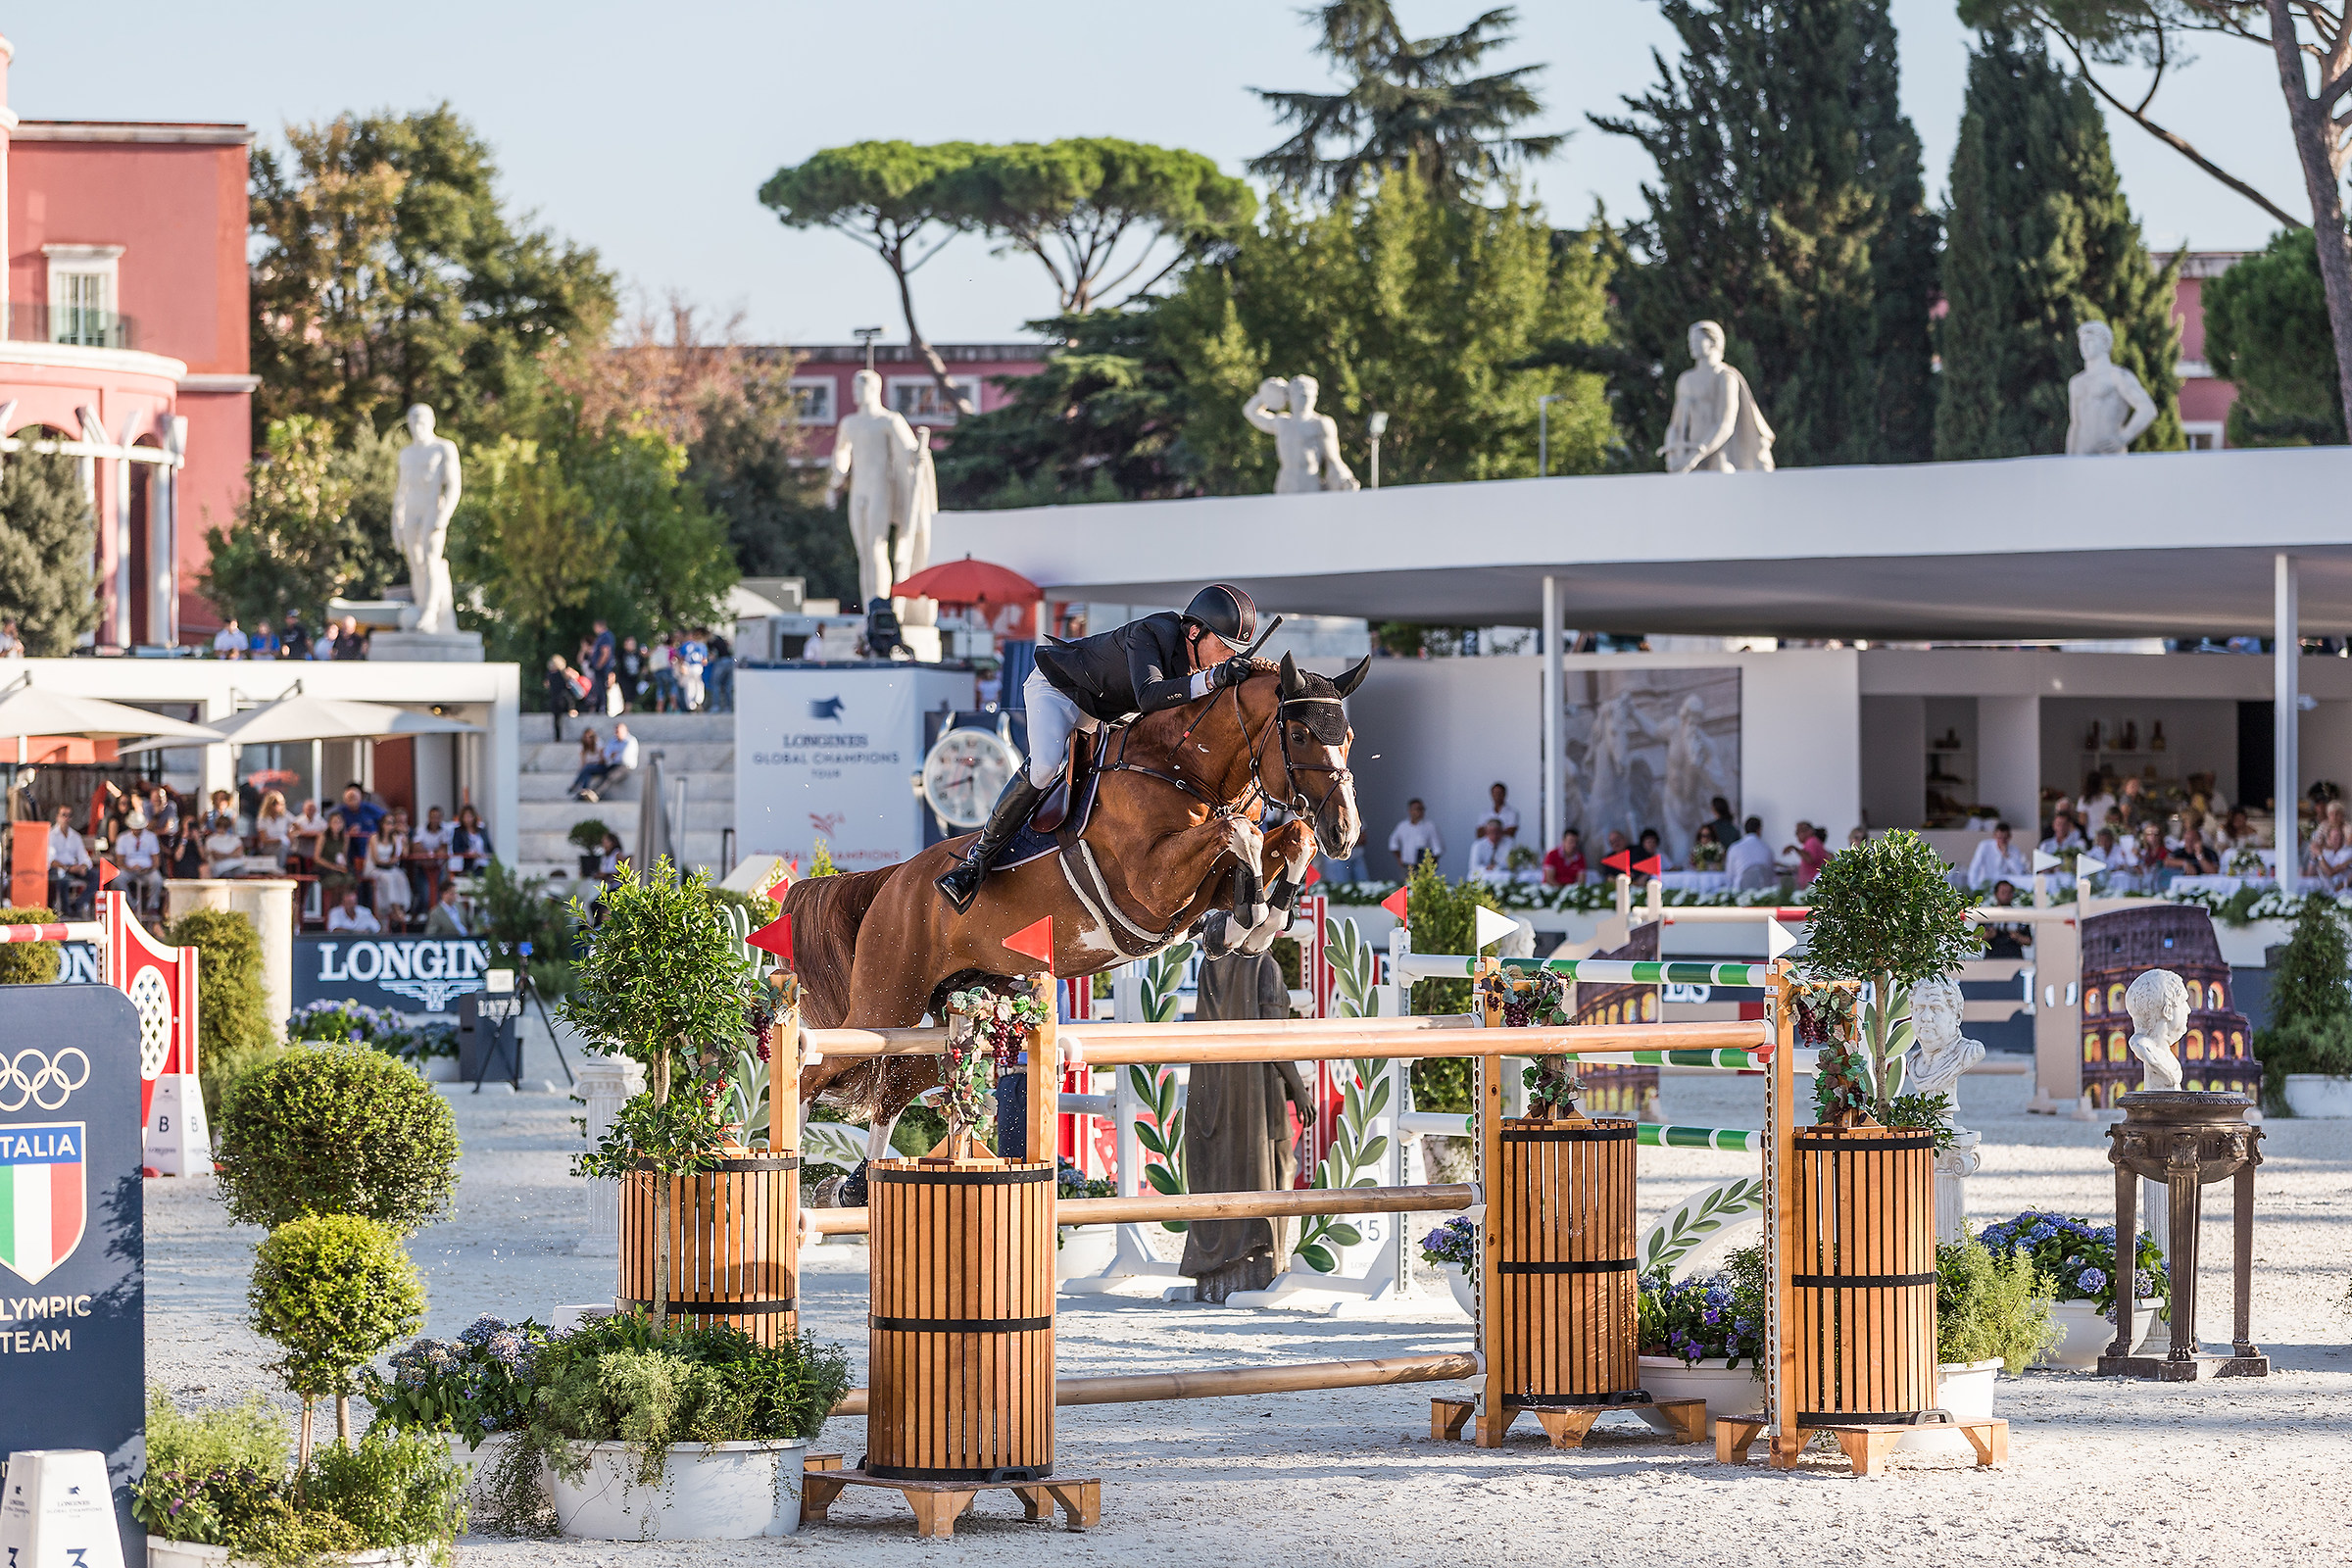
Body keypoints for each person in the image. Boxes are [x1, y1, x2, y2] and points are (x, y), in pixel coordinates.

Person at [935, 584, 1264, 912]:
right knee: (1046, 766)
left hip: (1105, 713)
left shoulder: (1201, 667)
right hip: (1060, 691)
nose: (1227, 658)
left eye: (1234, 653)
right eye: (1224, 647)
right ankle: (975, 863)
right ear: (1194, 632)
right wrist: (1215, 678)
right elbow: (1150, 695)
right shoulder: (1152, 632)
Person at [1178, 946, 1316, 1301]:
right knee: (1282, 1166)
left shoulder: (1212, 963)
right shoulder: (1265, 966)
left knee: (1221, 1168)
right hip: (1259, 1091)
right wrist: (1298, 1090)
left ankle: (1219, 1270)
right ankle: (1267, 1257)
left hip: (1214, 1087)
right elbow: (1274, 1040)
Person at [46, 806, 97, 917]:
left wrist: (83, 866)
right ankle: (66, 911)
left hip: (74, 868)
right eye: (63, 815)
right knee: (62, 877)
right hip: (59, 869)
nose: (66, 818)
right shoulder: (50, 835)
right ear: (57, 817)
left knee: (96, 876)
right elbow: (50, 860)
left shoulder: (75, 836)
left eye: (69, 816)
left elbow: (83, 856)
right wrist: (67, 868)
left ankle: (76, 906)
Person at [368, 808, 413, 928]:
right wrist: (388, 862)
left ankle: (402, 908)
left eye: (392, 823)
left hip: (390, 868)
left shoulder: (395, 838)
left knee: (401, 877)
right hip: (377, 868)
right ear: (382, 824)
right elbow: (375, 858)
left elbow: (405, 854)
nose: (390, 826)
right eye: (387, 823)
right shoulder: (374, 838)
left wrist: (404, 838)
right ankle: (394, 910)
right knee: (388, 879)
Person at [574, 723, 639, 804]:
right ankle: (582, 791)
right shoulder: (613, 740)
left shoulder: (630, 741)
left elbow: (623, 757)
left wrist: (612, 756)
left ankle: (596, 794)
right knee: (589, 768)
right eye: (616, 732)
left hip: (624, 767)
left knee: (610, 776)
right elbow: (606, 754)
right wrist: (612, 755)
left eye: (618, 731)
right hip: (612, 765)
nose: (617, 734)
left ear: (625, 731)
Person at [117, 808, 165, 917]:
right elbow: (119, 860)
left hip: (147, 869)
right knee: (118, 878)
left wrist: (149, 868)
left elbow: (156, 860)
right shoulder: (122, 838)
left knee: (157, 880)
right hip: (129, 868)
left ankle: (152, 907)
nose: (137, 830)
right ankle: (130, 904)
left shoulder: (151, 837)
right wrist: (129, 867)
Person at [331, 782, 386, 874]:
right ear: (345, 799)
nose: (352, 800)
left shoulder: (369, 809)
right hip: (349, 852)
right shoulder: (340, 812)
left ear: (360, 797)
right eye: (349, 798)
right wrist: (348, 831)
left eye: (354, 798)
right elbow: (333, 828)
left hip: (369, 850)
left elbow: (385, 819)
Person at [1389, 798, 1445, 880]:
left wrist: (1431, 863)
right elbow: (1393, 843)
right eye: (1417, 809)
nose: (1420, 812)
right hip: (1407, 865)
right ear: (1410, 810)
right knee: (1407, 888)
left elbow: (1438, 847)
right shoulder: (1403, 826)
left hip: (1423, 865)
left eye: (1422, 809)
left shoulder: (1430, 826)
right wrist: (1399, 857)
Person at [1965, 822, 2029, 889]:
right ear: (1994, 836)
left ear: (2010, 837)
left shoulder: (2014, 850)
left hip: (2004, 887)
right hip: (1986, 884)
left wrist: (2007, 856)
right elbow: (1975, 866)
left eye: (2005, 838)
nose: (2002, 840)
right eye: (1999, 837)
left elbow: (2020, 872)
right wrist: (1973, 885)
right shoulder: (1985, 846)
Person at [1724, 815, 1776, 889]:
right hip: (1762, 892)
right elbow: (1770, 875)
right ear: (1759, 830)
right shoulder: (1767, 849)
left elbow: (1729, 876)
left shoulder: (1735, 848)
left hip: (1740, 891)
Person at [1981, 880, 2029, 958]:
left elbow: (2029, 940)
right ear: (1996, 894)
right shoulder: (1988, 915)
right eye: (2003, 892)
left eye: (2009, 892)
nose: (2006, 895)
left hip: (2014, 958)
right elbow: (1976, 938)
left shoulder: (2019, 915)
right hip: (1991, 959)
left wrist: (2017, 936)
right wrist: (1988, 935)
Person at [449, 804, 494, 875]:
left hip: (485, 863)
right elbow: (456, 849)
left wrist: (488, 857)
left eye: (470, 816)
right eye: (465, 817)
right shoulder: (459, 832)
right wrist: (468, 853)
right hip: (470, 865)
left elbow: (489, 848)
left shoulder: (482, 831)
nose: (468, 819)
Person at [544, 655, 578, 741]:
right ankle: (571, 709)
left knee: (556, 719)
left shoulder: (550, 674)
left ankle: (557, 737)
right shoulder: (562, 673)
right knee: (557, 717)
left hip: (557, 698)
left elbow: (547, 685)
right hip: (560, 697)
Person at [1467, 817, 1511, 883]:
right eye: (1491, 832)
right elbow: (1473, 866)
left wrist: (1496, 867)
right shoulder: (1478, 845)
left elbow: (1510, 864)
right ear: (1486, 832)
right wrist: (1486, 868)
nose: (1495, 836)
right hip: (1482, 878)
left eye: (1497, 832)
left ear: (1502, 832)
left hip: (1502, 877)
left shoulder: (1509, 843)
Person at [587, 618, 616, 714]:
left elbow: (605, 652)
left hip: (602, 667)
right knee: (599, 687)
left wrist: (599, 664)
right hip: (601, 667)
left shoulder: (605, 636)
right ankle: (600, 707)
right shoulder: (602, 637)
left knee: (601, 688)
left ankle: (602, 707)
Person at [566, 728, 602, 800]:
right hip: (589, 768)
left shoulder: (599, 744)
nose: (588, 739)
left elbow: (603, 760)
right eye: (586, 737)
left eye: (590, 737)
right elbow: (583, 762)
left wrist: (591, 764)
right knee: (586, 773)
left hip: (600, 766)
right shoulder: (583, 746)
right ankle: (584, 791)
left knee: (587, 768)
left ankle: (575, 785)